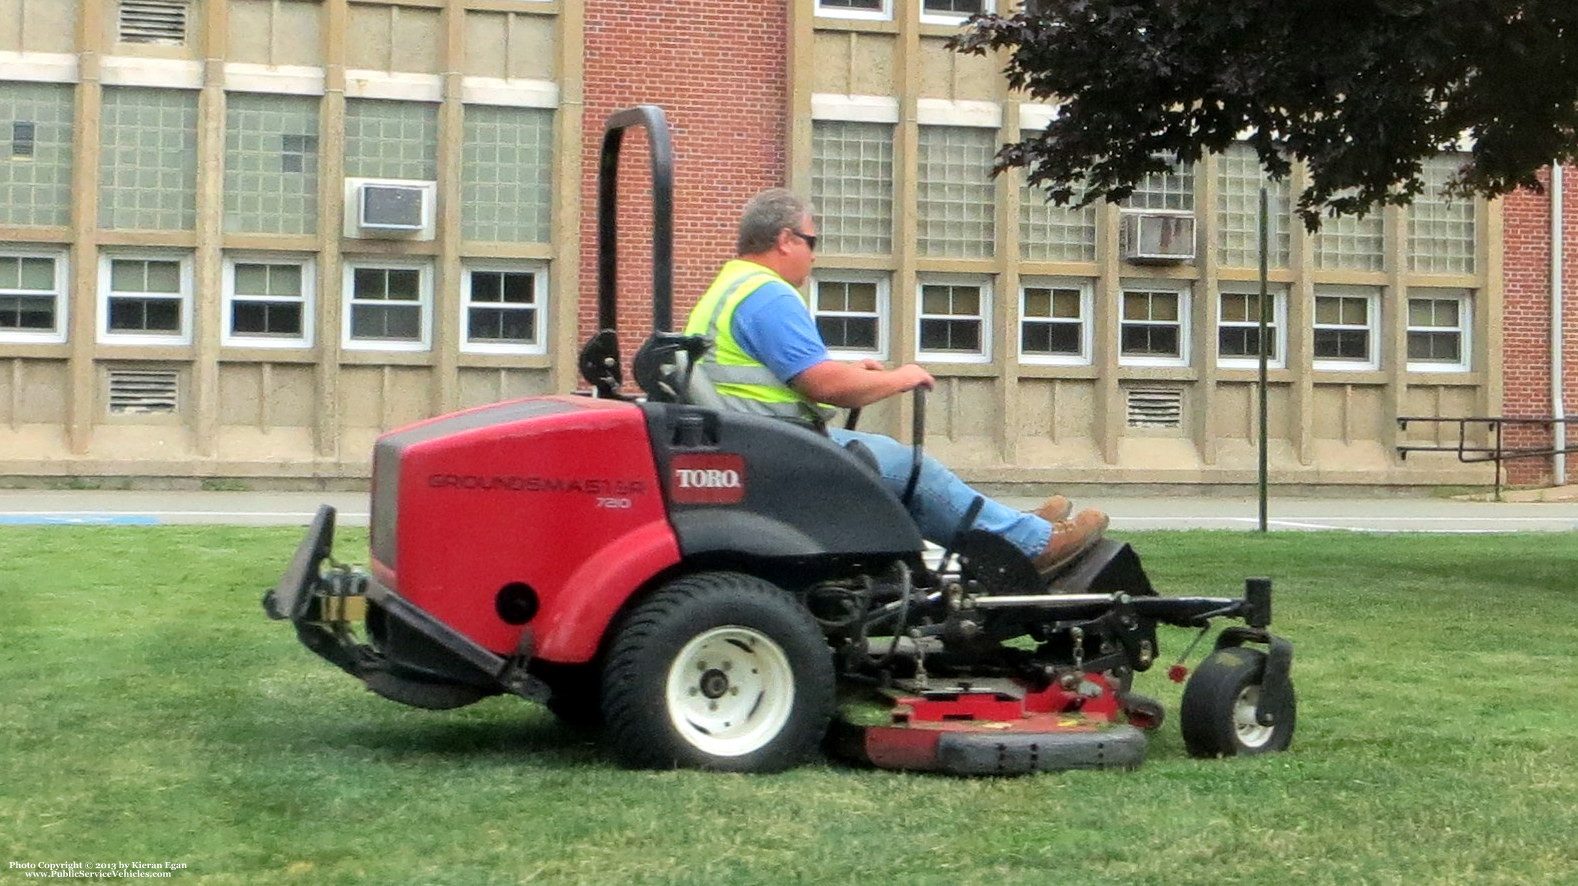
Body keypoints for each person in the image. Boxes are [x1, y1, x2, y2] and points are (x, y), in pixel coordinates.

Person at [683, 188, 1107, 577]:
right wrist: (901, 378)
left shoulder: (728, 289)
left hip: (757, 446)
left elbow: (787, 372)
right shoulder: (768, 294)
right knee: (912, 470)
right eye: (812, 242)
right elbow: (824, 386)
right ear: (785, 239)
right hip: (783, 452)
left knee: (895, 461)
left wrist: (856, 373)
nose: (814, 255)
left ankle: (1004, 525)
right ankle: (1029, 544)